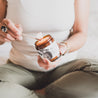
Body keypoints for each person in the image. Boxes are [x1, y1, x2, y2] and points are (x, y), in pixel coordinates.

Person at [0, 0, 98, 98]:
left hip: (66, 69)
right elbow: (1, 31)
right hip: (19, 69)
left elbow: (81, 34)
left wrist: (61, 50)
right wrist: (2, 32)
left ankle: (38, 93)